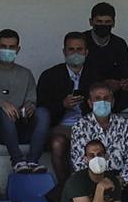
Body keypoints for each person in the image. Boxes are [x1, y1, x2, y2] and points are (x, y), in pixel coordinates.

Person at [68, 84, 128, 202]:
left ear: (113, 101)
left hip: (121, 180)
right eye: (97, 99)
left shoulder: (125, 124)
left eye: (106, 98)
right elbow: (78, 161)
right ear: (90, 103)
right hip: (92, 182)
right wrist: (99, 183)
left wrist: (121, 180)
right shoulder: (80, 126)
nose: (102, 102)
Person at [0, 28, 41, 167]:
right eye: (3, 47)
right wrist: (2, 103)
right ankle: (18, 160)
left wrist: (30, 106)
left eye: (11, 47)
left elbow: (32, 100)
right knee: (4, 113)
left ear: (18, 49)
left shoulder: (26, 73)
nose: (7, 50)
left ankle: (32, 161)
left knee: (43, 114)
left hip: (21, 124)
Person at [36, 32, 93, 178]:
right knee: (57, 143)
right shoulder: (49, 75)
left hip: (88, 127)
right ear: (64, 52)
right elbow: (40, 108)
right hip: (58, 127)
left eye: (79, 49)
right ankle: (64, 187)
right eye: (71, 49)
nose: (75, 53)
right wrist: (62, 104)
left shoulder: (95, 75)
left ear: (86, 52)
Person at [82, 1, 128, 104]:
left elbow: (126, 72)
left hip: (115, 93)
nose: (103, 25)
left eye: (107, 22)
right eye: (99, 21)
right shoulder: (82, 41)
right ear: (91, 22)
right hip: (88, 93)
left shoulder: (119, 43)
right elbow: (77, 72)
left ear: (114, 23)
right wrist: (103, 83)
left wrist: (127, 82)